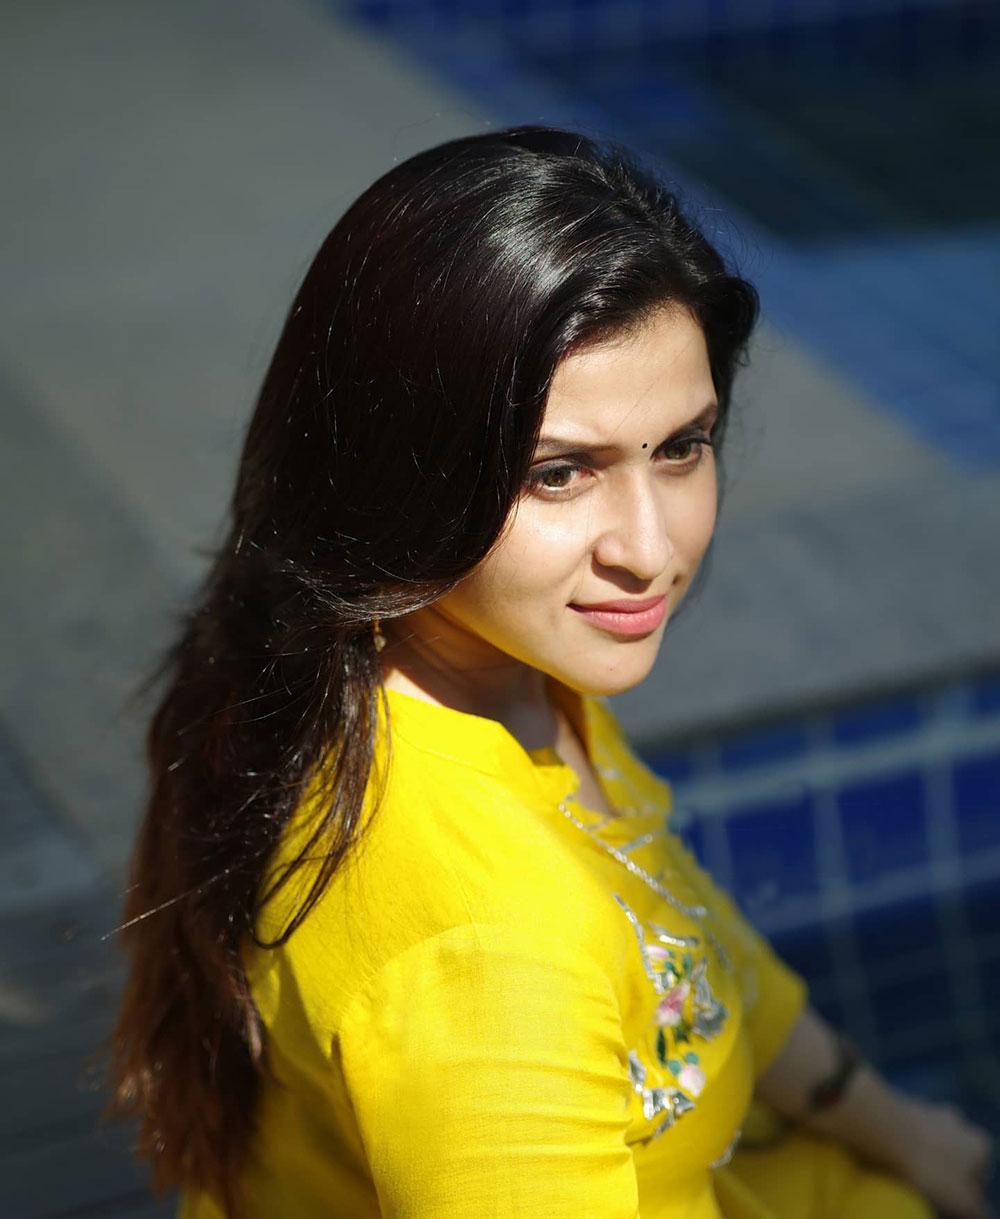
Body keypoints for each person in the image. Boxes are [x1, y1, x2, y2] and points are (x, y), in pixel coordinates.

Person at [104, 127, 995, 1219]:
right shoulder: (488, 952)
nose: (649, 549)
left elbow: (690, 944)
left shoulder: (476, 668)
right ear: (394, 474)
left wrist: (894, 1126)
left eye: (682, 445)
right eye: (559, 473)